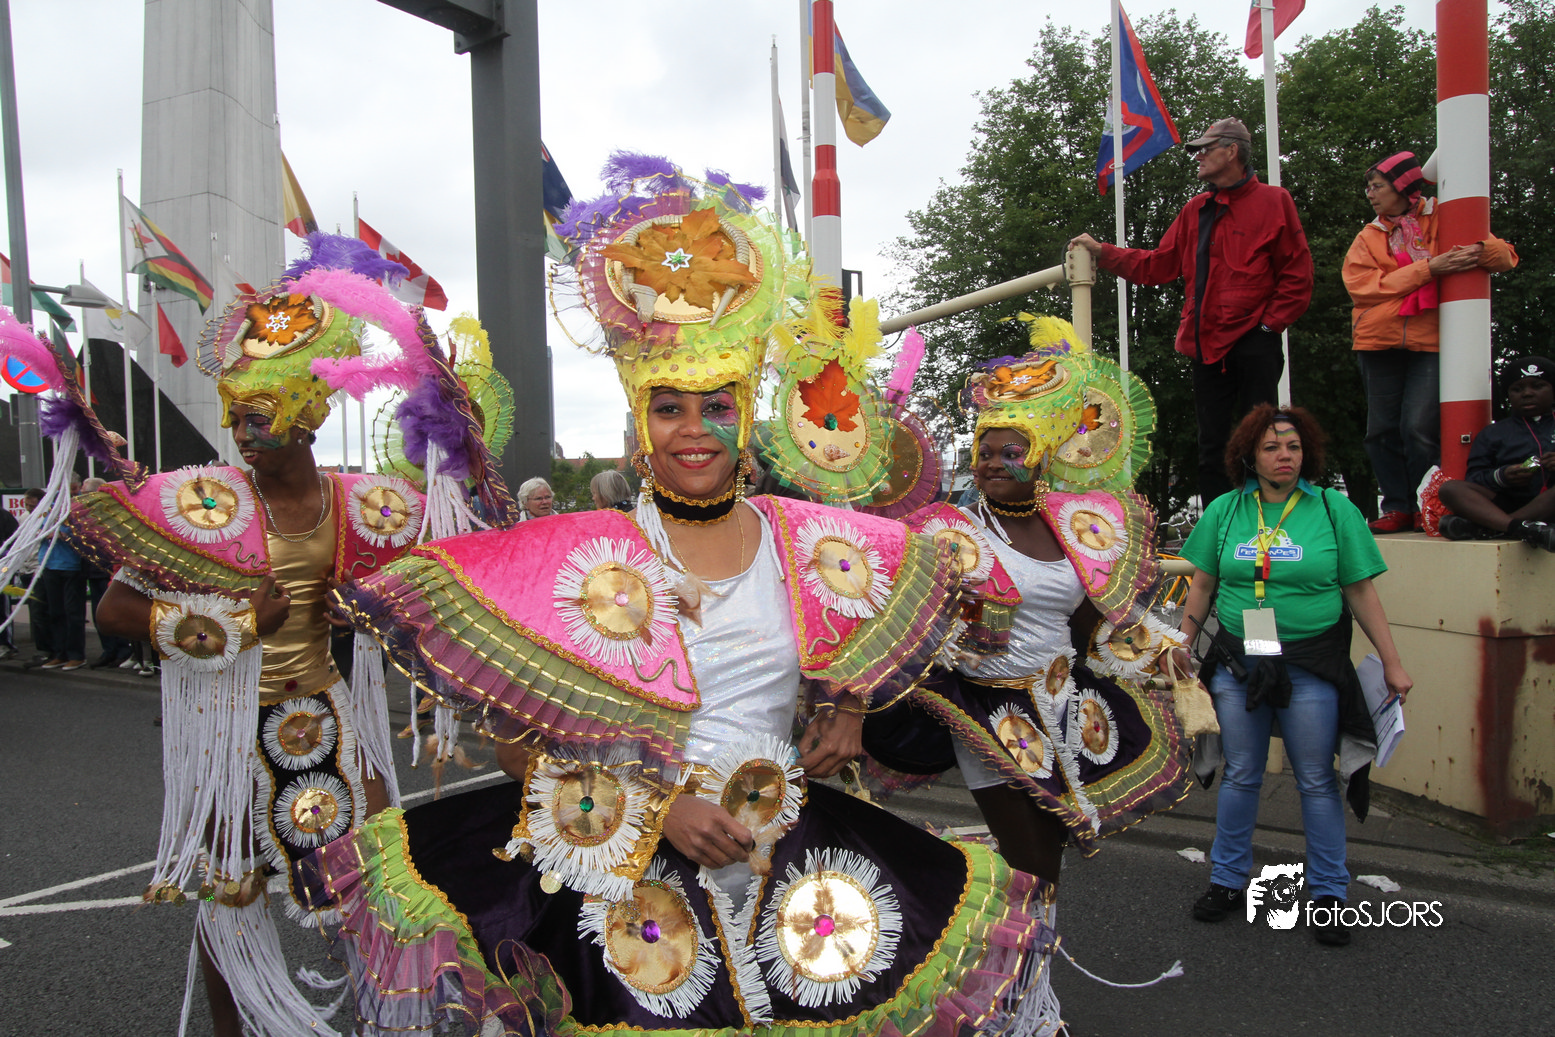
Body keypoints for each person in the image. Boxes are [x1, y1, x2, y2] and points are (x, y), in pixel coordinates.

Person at [300, 160, 1053, 1037]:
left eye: (715, 407)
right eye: (668, 409)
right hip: (633, 883)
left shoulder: (807, 537)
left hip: (789, 863)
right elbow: (515, 752)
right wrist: (661, 813)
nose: (694, 431)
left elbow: (902, 608)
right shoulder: (584, 553)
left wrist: (846, 703)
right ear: (639, 421)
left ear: (744, 414)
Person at [72, 236, 440, 1037]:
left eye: (258, 416)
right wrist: (235, 626)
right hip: (227, 729)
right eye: (234, 415)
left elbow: (429, 583)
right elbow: (115, 612)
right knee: (232, 893)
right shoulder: (198, 503)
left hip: (329, 712)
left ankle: (384, 1022)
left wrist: (366, 609)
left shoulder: (367, 504)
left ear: (307, 415)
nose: (240, 431)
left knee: (379, 878)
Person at [871, 317, 1190, 1034]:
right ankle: (1019, 1007)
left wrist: (1160, 653)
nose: (992, 462)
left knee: (1050, 866)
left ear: (1039, 454)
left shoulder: (1074, 526)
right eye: (984, 450)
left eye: (1009, 451)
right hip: (989, 716)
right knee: (1029, 866)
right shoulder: (950, 531)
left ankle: (1020, 996)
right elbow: (916, 612)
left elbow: (1095, 621)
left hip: (1064, 707)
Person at [1179, 404, 1412, 947]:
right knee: (1242, 772)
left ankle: (1329, 894)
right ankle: (1227, 879)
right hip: (1239, 664)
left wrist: (1393, 661)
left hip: (1311, 664)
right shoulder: (1225, 510)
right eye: (1271, 448)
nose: (1284, 456)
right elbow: (1203, 586)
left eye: (1293, 447)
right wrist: (1180, 648)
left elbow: (1360, 590)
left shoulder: (1333, 508)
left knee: (1315, 778)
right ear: (1249, 456)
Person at [1069, 116, 1314, 504]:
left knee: (1263, 439)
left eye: (1205, 149)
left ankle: (1268, 520)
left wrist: (1268, 328)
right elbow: (1157, 266)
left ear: (1231, 152)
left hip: (1255, 341)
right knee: (1211, 445)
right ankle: (1218, 527)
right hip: (1206, 345)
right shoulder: (1196, 209)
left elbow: (1297, 275)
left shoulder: (1274, 201)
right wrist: (1105, 252)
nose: (1197, 157)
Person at [1343, 151, 1520, 533]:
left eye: (1377, 186)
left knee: (1418, 427)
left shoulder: (1445, 217)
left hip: (1432, 342)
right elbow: (1362, 288)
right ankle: (1397, 507)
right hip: (1377, 341)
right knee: (1380, 431)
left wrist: (1478, 250)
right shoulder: (1368, 235)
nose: (1370, 194)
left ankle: (1428, 505)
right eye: (1368, 187)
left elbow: (1505, 256)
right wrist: (1430, 268)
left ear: (1403, 187)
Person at [1436, 355, 1555, 548]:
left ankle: (1496, 528)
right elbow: (1474, 478)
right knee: (1450, 489)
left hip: (1550, 505)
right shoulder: (1493, 433)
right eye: (1517, 389)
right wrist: (1503, 476)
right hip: (1506, 502)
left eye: (1538, 386)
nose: (1527, 393)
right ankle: (1519, 527)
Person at [37, 473, 88, 671]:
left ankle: (76, 655)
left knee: (73, 612)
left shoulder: (80, 507)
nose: (73, 492)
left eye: (75, 488)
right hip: (49, 564)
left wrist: (62, 535)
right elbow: (38, 528)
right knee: (55, 611)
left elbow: (85, 534)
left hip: (71, 566)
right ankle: (60, 653)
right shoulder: (49, 508)